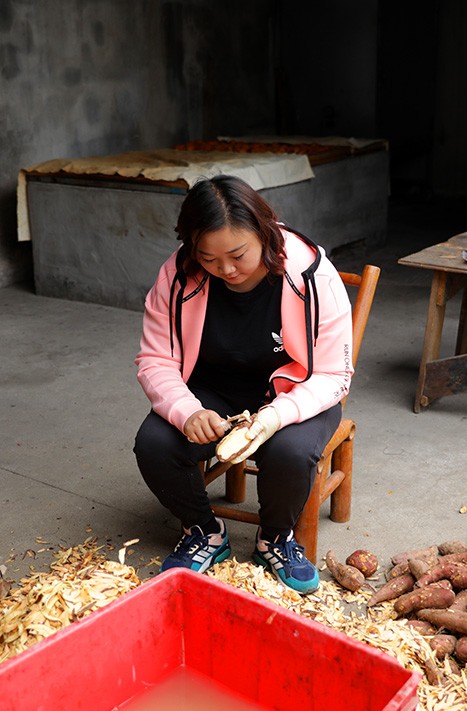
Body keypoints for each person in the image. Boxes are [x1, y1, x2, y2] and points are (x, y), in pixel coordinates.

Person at [133, 175, 353, 595]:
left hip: (297, 391)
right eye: (209, 259)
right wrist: (187, 410)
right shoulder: (177, 275)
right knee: (154, 444)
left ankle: (275, 539)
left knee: (291, 451)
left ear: (265, 230)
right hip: (211, 392)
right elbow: (155, 359)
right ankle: (203, 531)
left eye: (237, 254)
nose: (226, 270)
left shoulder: (310, 275)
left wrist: (278, 415)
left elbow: (333, 374)